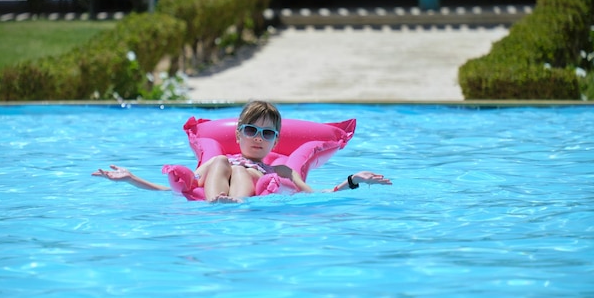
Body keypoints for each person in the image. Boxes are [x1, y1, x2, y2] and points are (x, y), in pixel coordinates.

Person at [93, 100, 392, 203]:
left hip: (247, 201)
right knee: (224, 161)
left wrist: (353, 180)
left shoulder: (282, 171)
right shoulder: (217, 160)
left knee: (239, 169)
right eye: (251, 130)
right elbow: (177, 190)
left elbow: (316, 196)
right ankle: (219, 202)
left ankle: (232, 201)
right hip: (214, 203)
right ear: (238, 135)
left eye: (267, 134)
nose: (258, 139)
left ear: (276, 142)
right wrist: (131, 179)